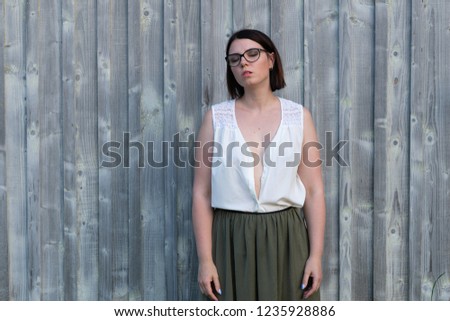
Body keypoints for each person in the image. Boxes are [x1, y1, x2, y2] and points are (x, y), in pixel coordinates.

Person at [192, 29, 325, 301]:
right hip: (230, 239)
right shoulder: (216, 119)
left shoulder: (298, 117)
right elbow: (201, 194)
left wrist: (315, 256)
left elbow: (313, 192)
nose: (243, 62)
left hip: (287, 239)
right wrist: (205, 260)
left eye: (253, 54)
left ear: (271, 60)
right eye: (234, 58)